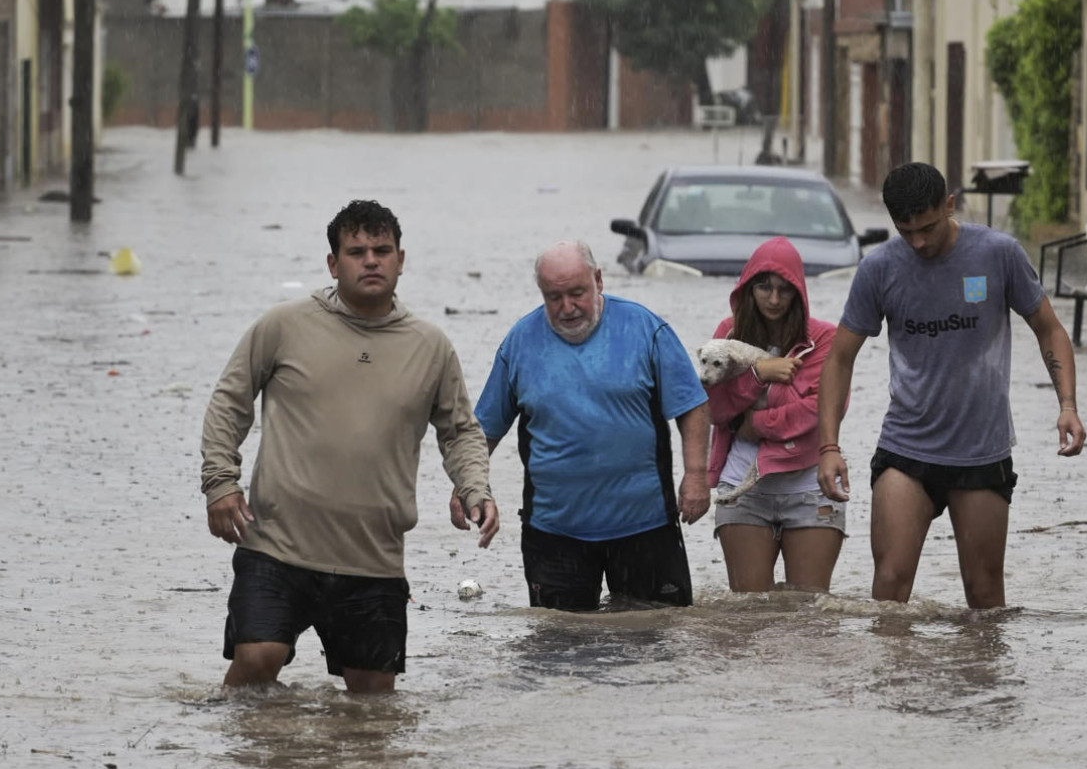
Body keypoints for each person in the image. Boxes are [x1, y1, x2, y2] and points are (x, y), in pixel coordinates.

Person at [201, 199, 498, 693]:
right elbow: (230, 401)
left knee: (372, 709)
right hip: (277, 546)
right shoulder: (283, 326)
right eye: (357, 251)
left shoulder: (431, 346)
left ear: (401, 259)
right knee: (257, 660)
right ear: (333, 264)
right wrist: (220, 483)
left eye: (382, 250)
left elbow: (460, 430)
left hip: (372, 558)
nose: (371, 260)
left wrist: (476, 489)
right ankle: (248, 762)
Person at [817, 163, 1086, 609]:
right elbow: (840, 358)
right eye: (907, 232)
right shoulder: (879, 269)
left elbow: (1049, 329)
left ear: (949, 205)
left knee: (984, 598)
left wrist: (1068, 404)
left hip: (982, 452)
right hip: (906, 449)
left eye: (927, 227)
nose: (919, 242)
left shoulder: (999, 253)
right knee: (888, 590)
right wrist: (828, 446)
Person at [449, 241, 710, 611]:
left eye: (577, 293)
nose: (567, 307)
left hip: (647, 526)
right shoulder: (520, 343)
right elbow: (484, 430)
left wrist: (697, 475)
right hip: (554, 533)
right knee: (558, 650)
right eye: (554, 297)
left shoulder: (645, 329)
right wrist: (467, 486)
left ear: (598, 280)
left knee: (656, 645)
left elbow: (693, 405)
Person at [704, 236, 846, 593]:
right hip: (742, 486)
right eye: (764, 288)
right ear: (748, 288)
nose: (773, 299)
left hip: (811, 485)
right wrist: (758, 375)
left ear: (799, 292)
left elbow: (821, 409)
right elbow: (713, 408)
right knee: (750, 616)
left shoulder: (825, 339)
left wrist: (754, 423)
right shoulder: (728, 334)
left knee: (809, 618)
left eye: (785, 290)